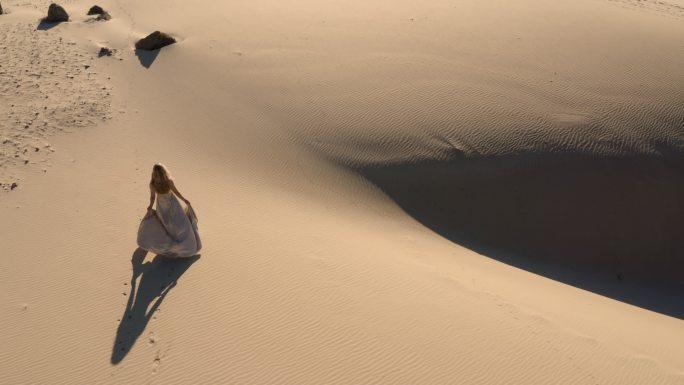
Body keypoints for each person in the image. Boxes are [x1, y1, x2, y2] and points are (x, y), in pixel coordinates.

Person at [137, 163, 201, 257]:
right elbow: (176, 192)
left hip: (162, 206)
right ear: (164, 172)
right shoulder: (169, 181)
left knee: (165, 223)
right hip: (173, 203)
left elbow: (152, 197)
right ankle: (184, 240)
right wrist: (184, 200)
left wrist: (150, 206)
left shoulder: (152, 184)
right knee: (179, 221)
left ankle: (170, 240)